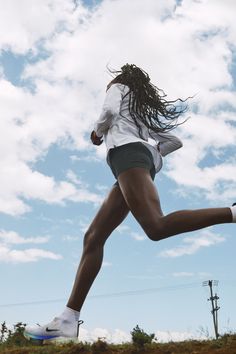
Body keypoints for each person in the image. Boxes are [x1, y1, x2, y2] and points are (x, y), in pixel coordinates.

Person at [24, 64, 236, 342]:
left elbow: (109, 112)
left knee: (156, 227)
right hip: (135, 163)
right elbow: (174, 141)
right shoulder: (139, 112)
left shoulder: (118, 88)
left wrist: (98, 133)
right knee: (93, 237)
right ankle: (67, 320)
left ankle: (232, 213)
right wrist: (153, 151)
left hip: (128, 158)